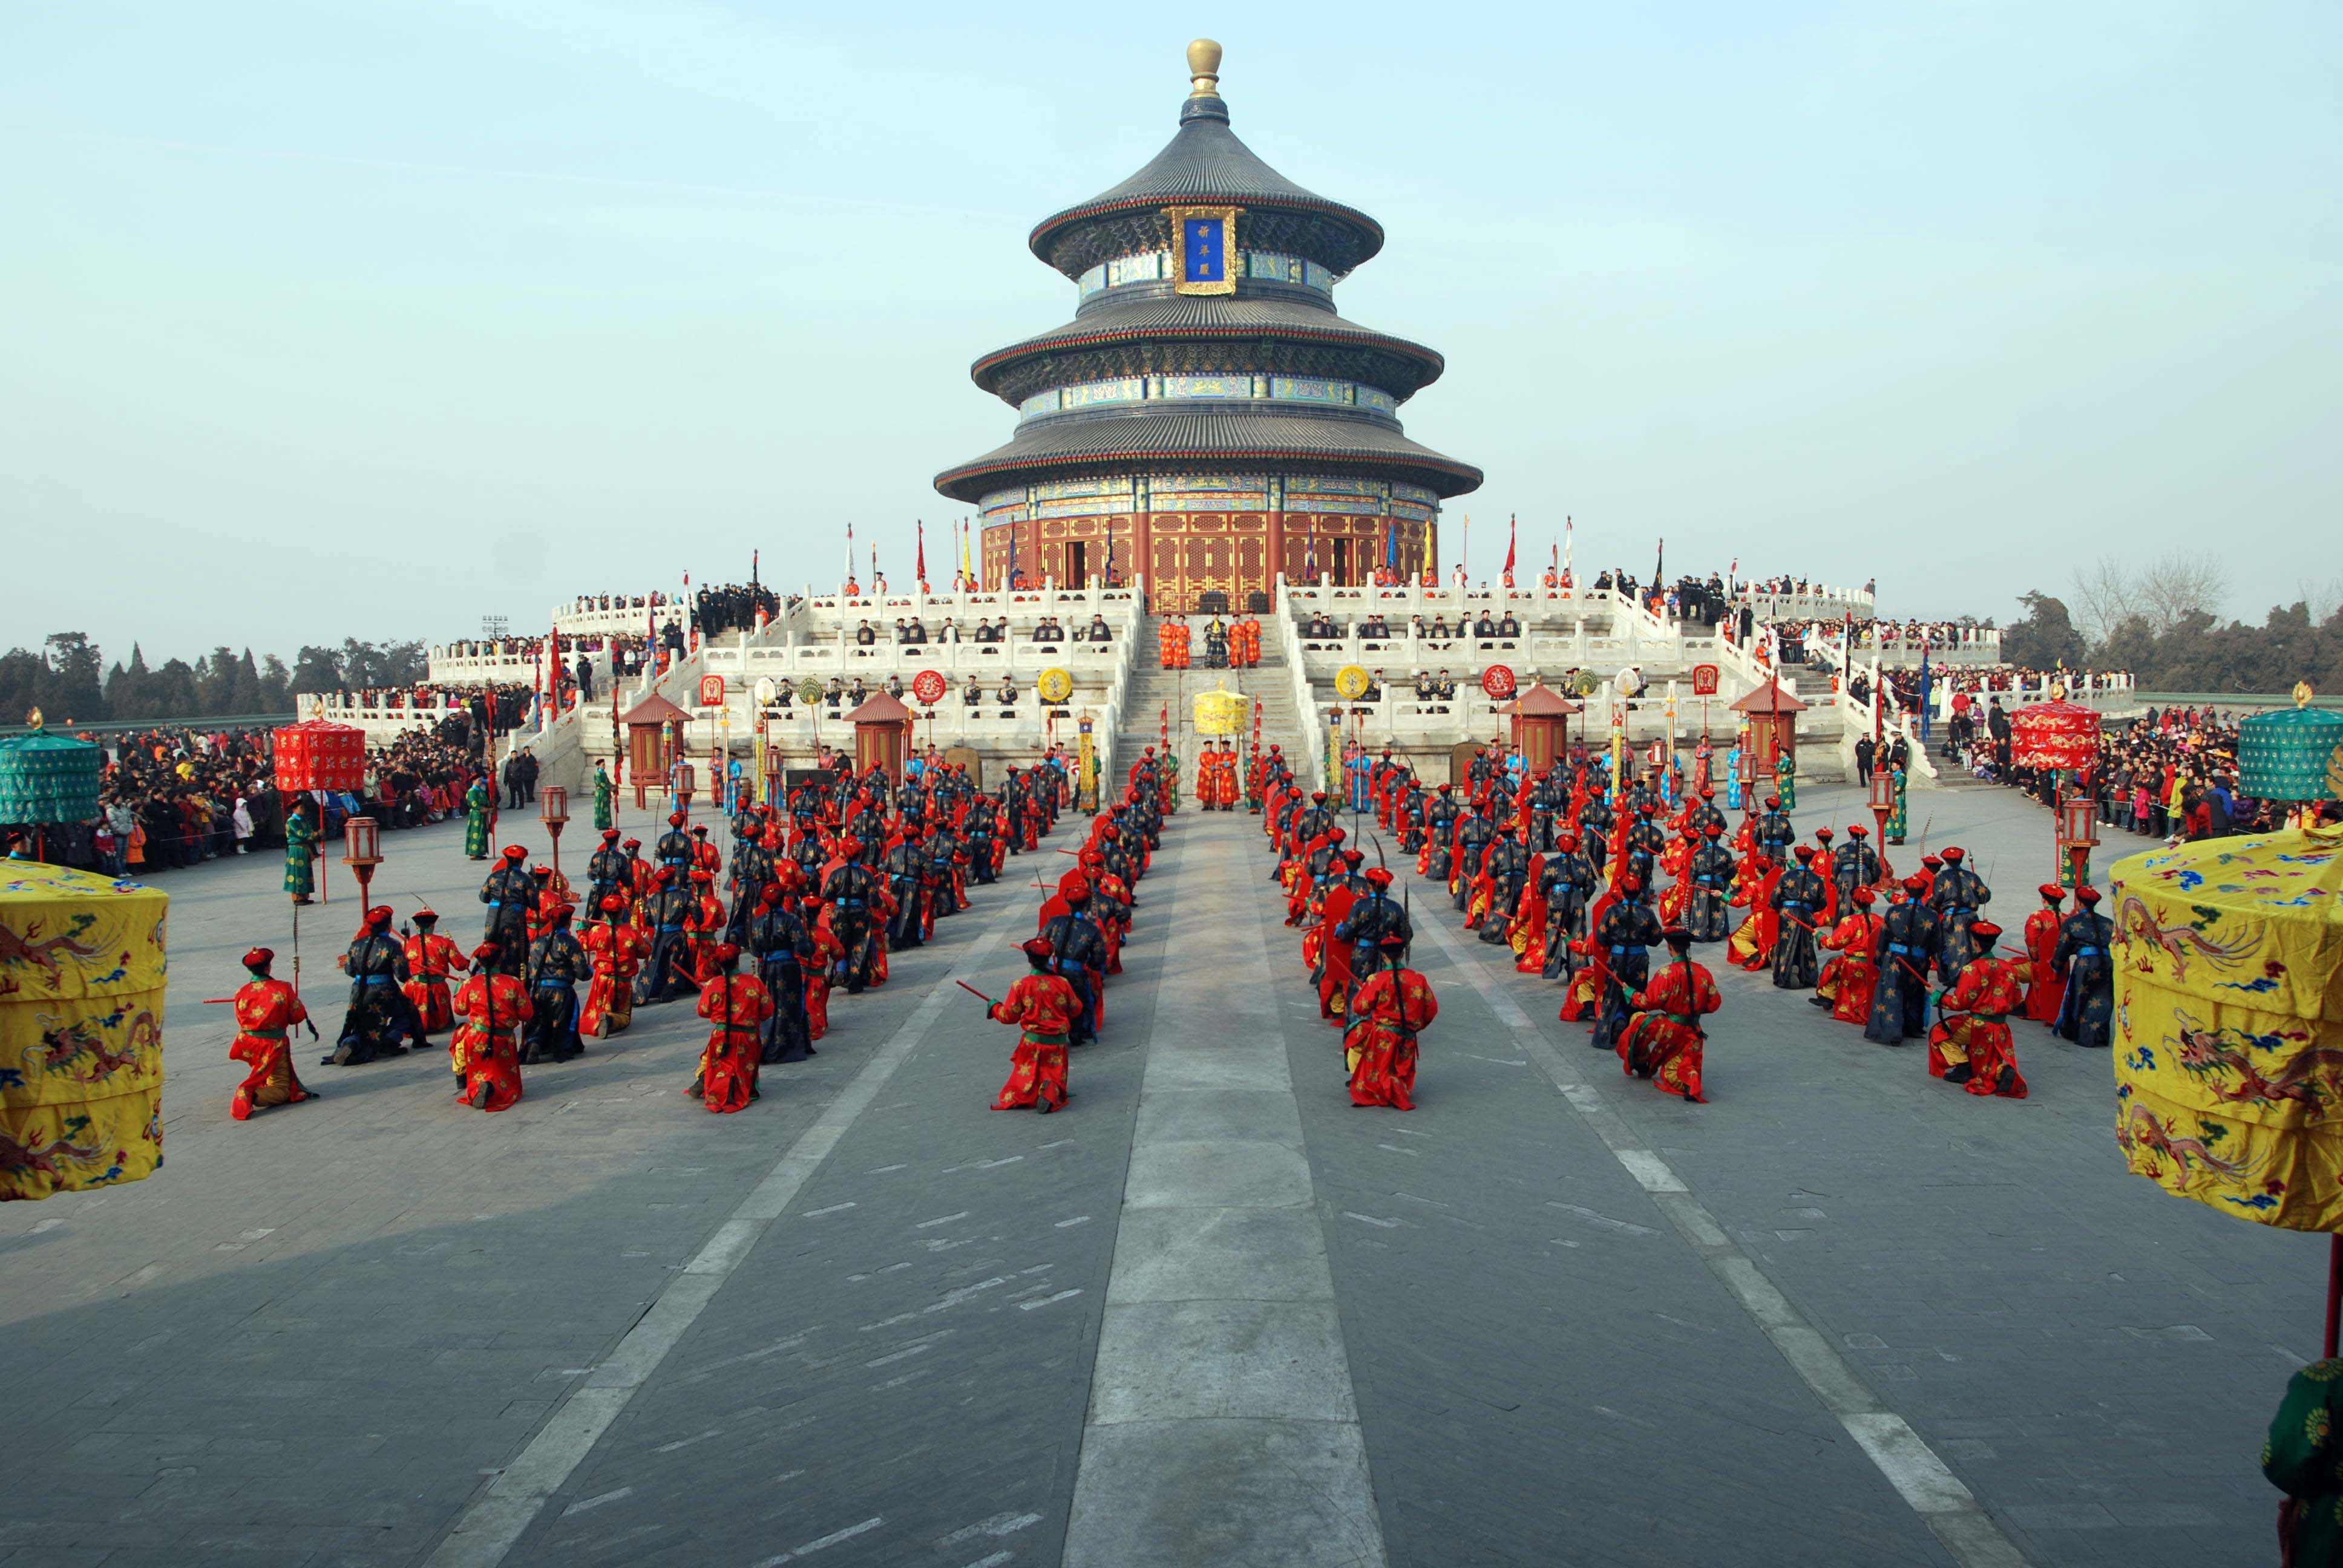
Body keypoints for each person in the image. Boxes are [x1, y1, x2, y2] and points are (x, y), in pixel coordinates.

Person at [1616, 926, 1722, 1101]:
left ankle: (1643, 1064)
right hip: (1694, 1031)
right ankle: (1691, 1078)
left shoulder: (1667, 973)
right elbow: (1715, 1002)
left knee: (1637, 1020)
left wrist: (1630, 993)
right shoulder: (1703, 971)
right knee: (1678, 1068)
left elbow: (1649, 1001)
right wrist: (1694, 1009)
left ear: (1670, 948)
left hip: (1670, 1028)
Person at [1927, 920, 2030, 1098]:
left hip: (1978, 1025)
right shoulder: (2009, 968)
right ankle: (2003, 1072)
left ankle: (1963, 1065)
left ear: (1975, 943)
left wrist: (1936, 996)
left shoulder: (1972, 969)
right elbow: (2016, 1001)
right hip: (2001, 1026)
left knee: (1938, 1033)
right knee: (1991, 1060)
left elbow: (1959, 1003)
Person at [1345, 929, 1437, 1109]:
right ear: (1402, 954)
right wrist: (1415, 1026)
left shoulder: (1377, 979)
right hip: (1407, 1035)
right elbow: (1432, 1009)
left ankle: (1366, 1081)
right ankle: (1395, 1086)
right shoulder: (1418, 978)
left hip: (1383, 1035)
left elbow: (1359, 1008)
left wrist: (1366, 990)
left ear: (1383, 956)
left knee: (1354, 1038)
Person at [989, 936, 1081, 1112]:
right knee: (1053, 1074)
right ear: (1048, 959)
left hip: (1033, 1045)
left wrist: (994, 1007)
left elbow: (1009, 1016)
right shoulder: (1063, 983)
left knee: (1017, 1090)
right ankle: (1051, 1087)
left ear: (1029, 960)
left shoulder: (1021, 985)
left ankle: (1042, 1090)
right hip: (1058, 1045)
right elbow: (1076, 1009)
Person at [228, 947, 318, 1120]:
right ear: (269, 967)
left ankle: (261, 1085)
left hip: (248, 1043)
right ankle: (250, 1095)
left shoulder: (242, 992)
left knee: (266, 1071)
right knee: (282, 1090)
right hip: (272, 1044)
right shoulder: (282, 988)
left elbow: (241, 1018)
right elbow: (297, 1016)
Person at [329, 906, 417, 1065]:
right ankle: (389, 1040)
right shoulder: (392, 945)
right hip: (384, 992)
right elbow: (402, 974)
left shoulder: (356, 944)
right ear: (389, 925)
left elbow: (349, 970)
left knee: (359, 1022)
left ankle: (351, 1042)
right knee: (407, 1012)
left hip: (359, 991)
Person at [692, 943, 775, 1113]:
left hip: (721, 1036)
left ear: (719, 964)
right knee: (741, 1068)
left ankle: (712, 1085)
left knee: (719, 1064)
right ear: (738, 962)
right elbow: (768, 1011)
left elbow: (703, 1011)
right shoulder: (754, 982)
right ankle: (736, 1089)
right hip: (748, 1038)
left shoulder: (713, 984)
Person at [448, 940, 529, 1111]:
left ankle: (479, 1086)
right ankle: (495, 1089)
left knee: (462, 1032)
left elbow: (460, 1010)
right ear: (500, 961)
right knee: (507, 1084)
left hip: (478, 1038)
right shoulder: (513, 982)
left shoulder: (470, 984)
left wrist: (460, 989)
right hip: (504, 1039)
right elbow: (527, 1014)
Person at [523, 904, 589, 1063]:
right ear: (568, 923)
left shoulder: (537, 942)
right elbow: (582, 972)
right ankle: (562, 1048)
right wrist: (589, 972)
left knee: (539, 1020)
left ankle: (535, 1042)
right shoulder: (569, 942)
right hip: (561, 991)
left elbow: (530, 968)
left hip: (538, 989)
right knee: (563, 1021)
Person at [2051, 885, 2115, 1048]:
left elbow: (2063, 947)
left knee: (2081, 997)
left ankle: (2080, 1033)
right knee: (2103, 999)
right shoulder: (2108, 923)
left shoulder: (2072, 922)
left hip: (2086, 963)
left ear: (2079, 903)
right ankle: (2099, 1035)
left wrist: (2057, 966)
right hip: (2108, 963)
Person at [580, 894, 649, 1036]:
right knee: (623, 1016)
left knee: (599, 1009)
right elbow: (645, 952)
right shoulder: (632, 932)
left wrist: (581, 931)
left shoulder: (597, 931)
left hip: (602, 980)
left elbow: (584, 944)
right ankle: (610, 1020)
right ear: (622, 912)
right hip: (622, 982)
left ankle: (602, 1019)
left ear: (604, 913)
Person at [1812, 886, 1881, 1024]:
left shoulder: (1849, 921)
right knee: (1836, 961)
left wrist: (1820, 936)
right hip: (1874, 966)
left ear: (1854, 904)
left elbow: (1834, 944)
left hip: (1853, 965)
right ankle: (1828, 997)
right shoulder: (1880, 921)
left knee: (1833, 963)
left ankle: (1828, 996)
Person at [400, 909, 468, 1042]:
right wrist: (454, 946)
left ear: (417, 927)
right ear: (432, 926)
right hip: (438, 988)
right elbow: (461, 966)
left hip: (415, 988)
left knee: (408, 988)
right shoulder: (444, 942)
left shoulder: (406, 944)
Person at [2021, 884, 2068, 1024]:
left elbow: (2031, 937)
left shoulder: (2038, 916)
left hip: (2040, 963)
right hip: (2061, 963)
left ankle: (2025, 1006)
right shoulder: (2067, 918)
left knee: (2006, 968)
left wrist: (2035, 957)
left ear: (2044, 900)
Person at [284, 796, 318, 904]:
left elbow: (310, 832)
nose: (303, 810)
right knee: (298, 873)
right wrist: (315, 834)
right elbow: (301, 834)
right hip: (297, 849)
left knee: (305, 872)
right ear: (295, 810)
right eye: (301, 808)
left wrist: (316, 835)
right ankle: (298, 897)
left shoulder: (304, 820)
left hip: (304, 849)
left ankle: (304, 896)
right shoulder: (291, 822)